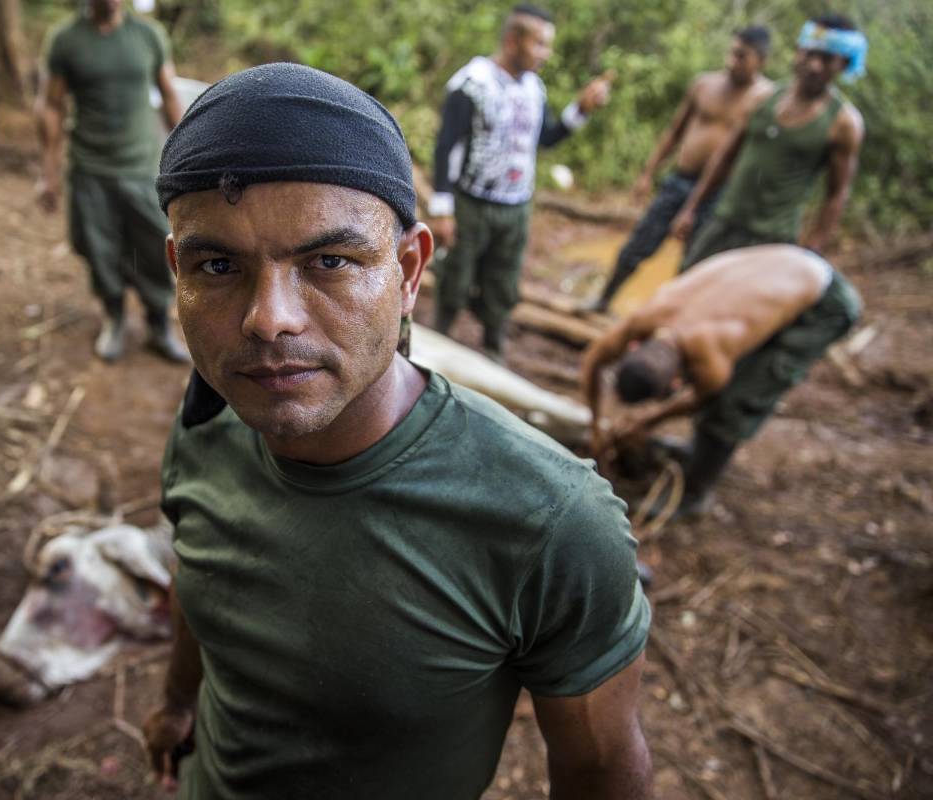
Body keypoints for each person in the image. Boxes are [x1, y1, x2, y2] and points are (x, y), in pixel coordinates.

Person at [141, 63, 653, 799]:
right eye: (217, 265)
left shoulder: (550, 521)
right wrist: (176, 700)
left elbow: (600, 769)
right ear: (177, 272)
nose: (269, 319)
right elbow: (201, 578)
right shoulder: (207, 428)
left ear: (409, 272)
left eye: (330, 261)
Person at [582, 244, 860, 518]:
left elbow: (704, 397)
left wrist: (646, 422)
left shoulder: (711, 354)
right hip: (788, 263)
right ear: (634, 347)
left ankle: (693, 495)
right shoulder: (643, 318)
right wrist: (595, 425)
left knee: (737, 399)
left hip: (825, 303)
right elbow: (592, 362)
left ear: (676, 382)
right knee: (743, 365)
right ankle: (696, 451)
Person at [429, 4, 612, 361]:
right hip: (471, 204)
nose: (546, 54)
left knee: (503, 284)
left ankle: (493, 353)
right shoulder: (472, 84)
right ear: (513, 40)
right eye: (540, 44)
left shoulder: (534, 88)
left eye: (548, 45)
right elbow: (445, 146)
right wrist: (443, 209)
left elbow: (547, 138)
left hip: (515, 207)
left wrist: (582, 109)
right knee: (455, 279)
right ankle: (436, 346)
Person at [35, 0, 188, 363]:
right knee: (99, 248)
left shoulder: (148, 35)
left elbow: (169, 93)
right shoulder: (66, 40)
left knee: (156, 245)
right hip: (91, 168)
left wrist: (187, 154)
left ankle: (158, 324)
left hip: (143, 166)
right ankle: (114, 318)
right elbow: (51, 105)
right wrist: (48, 173)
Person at [588, 26, 774, 312]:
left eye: (742, 56)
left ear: (761, 60)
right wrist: (647, 173)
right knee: (638, 244)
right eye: (732, 53)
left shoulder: (767, 100)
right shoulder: (705, 85)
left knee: (695, 263)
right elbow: (674, 131)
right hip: (679, 181)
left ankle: (669, 322)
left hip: (721, 194)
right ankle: (603, 300)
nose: (732, 61)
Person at [671, 14, 866, 270]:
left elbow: (837, 193)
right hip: (724, 221)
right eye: (810, 54)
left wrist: (813, 247)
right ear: (799, 52)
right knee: (689, 282)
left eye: (827, 59)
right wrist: (691, 208)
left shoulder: (844, 124)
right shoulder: (760, 98)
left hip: (774, 239)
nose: (815, 65)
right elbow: (725, 157)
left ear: (843, 63)